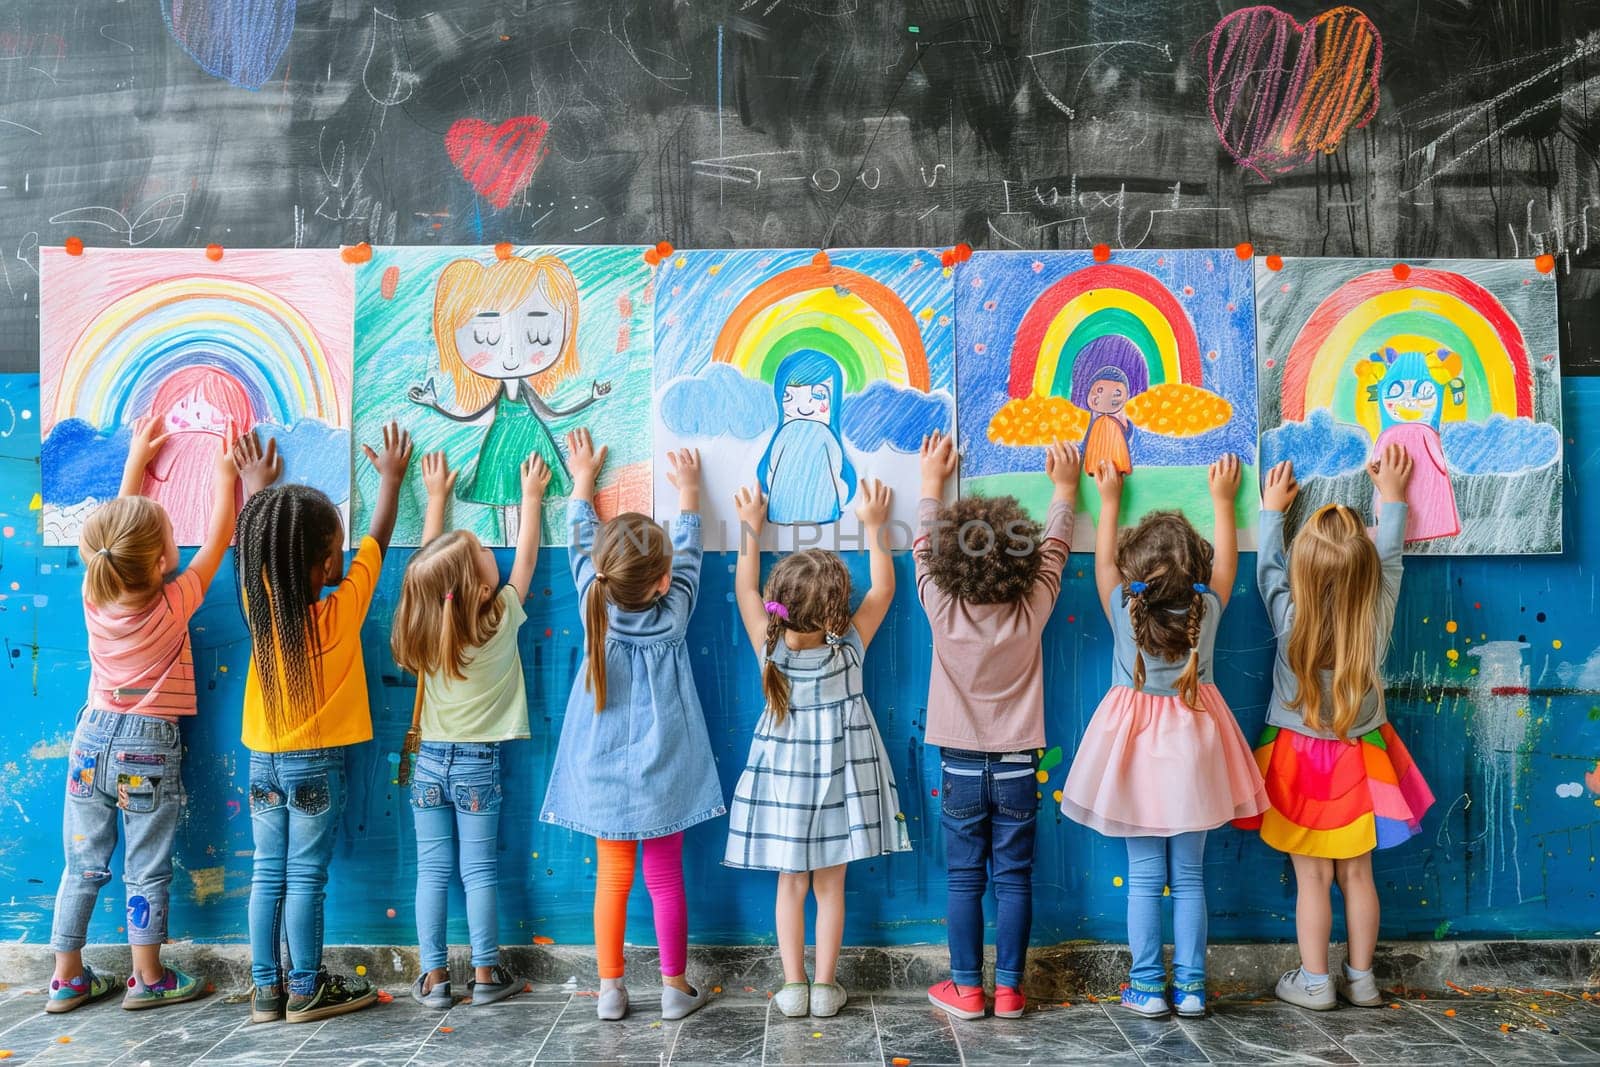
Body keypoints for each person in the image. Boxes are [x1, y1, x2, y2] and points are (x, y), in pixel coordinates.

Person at [48, 419, 274, 1013]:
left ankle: (66, 976)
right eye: (172, 536)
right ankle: (146, 978)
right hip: (146, 750)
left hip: (90, 741)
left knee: (83, 863)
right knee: (146, 868)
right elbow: (220, 539)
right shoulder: (175, 601)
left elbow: (119, 531)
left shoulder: (94, 592)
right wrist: (225, 477)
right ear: (157, 567)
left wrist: (136, 465)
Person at [1060, 456, 1268, 1018]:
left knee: (1146, 877)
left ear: (1137, 577)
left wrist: (1107, 501)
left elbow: (1103, 564)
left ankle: (1148, 985)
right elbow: (1227, 567)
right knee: (1191, 876)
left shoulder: (1123, 605)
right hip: (1197, 744)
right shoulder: (1209, 608)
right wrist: (1224, 501)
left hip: (1132, 750)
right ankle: (1193, 987)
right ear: (1195, 567)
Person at [539, 430, 724, 1022]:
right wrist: (690, 494)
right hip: (665, 769)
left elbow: (578, 540)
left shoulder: (592, 598)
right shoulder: (675, 615)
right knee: (665, 876)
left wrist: (583, 480)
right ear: (664, 582)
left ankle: (611, 990)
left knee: (612, 878)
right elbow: (689, 556)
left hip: (601, 770)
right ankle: (675, 989)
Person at [1245, 448, 1436, 1011]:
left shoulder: (1288, 615)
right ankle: (1361, 978)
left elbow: (1267, 571)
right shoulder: (1377, 610)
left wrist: (1270, 513)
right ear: (1367, 573)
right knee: (1357, 874)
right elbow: (1392, 558)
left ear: (1301, 572)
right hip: (1362, 757)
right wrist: (1394, 499)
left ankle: (1314, 981)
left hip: (1298, 761)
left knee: (1311, 880)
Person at [237, 422, 412, 1024]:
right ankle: (307, 986)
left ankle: (267, 991)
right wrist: (389, 478)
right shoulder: (342, 611)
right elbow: (380, 537)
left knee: (268, 872)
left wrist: (257, 489)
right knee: (306, 876)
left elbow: (254, 547)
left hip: (263, 759)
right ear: (323, 560)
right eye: (334, 545)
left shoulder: (257, 601)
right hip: (316, 764)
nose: (343, 553)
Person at [723, 478, 910, 1018]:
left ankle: (792, 986)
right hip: (841, 782)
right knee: (832, 887)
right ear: (834, 613)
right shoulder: (848, 645)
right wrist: (874, 525)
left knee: (791, 884)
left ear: (777, 603)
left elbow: (743, 590)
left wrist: (750, 530)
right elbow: (883, 591)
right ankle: (826, 988)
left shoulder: (768, 642)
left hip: (784, 786)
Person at [915, 430, 1078, 1021]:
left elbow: (923, 546)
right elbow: (1057, 546)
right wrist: (1064, 489)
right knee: (1013, 878)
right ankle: (1009, 990)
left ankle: (966, 988)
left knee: (964, 878)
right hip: (1017, 764)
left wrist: (932, 482)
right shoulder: (1033, 603)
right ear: (1023, 560)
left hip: (958, 764)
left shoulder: (940, 602)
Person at [390, 449, 550, 1009]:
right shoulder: (501, 614)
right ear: (480, 588)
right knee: (479, 871)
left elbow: (430, 570)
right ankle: (485, 977)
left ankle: (433, 980)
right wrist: (530, 497)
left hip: (429, 762)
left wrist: (436, 499)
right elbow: (526, 558)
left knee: (432, 870)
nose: (492, 549)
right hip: (478, 766)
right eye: (484, 552)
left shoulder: (424, 626)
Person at [410, 253, 610, 541]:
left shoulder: (527, 393)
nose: (513, 355)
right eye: (486, 337)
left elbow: (552, 412)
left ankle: (522, 548)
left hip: (529, 441)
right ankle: (510, 545)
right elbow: (473, 416)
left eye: (538, 333)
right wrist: (434, 404)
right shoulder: (498, 396)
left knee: (529, 497)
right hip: (502, 447)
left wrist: (590, 398)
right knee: (506, 502)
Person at [756, 350, 856, 524]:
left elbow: (835, 468)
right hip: (807, 512)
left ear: (834, 400)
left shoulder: (822, 434)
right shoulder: (790, 433)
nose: (805, 407)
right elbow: (836, 469)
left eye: (818, 395)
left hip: (800, 512)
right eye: (790, 396)